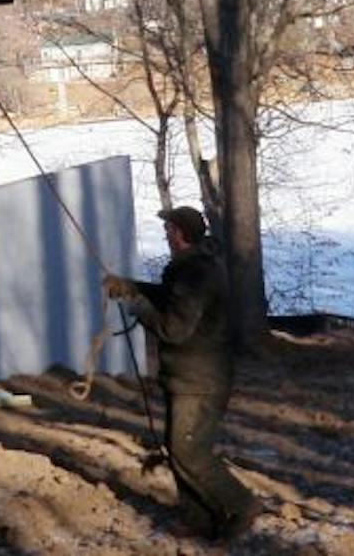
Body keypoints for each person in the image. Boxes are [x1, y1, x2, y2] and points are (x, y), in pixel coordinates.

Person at [103, 205, 257, 541]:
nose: (166, 233)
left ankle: (241, 505)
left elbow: (173, 329)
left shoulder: (194, 274)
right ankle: (198, 519)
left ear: (182, 234)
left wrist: (136, 305)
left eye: (170, 228)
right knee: (180, 450)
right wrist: (132, 287)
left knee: (189, 452)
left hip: (199, 381)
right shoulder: (191, 269)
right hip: (188, 377)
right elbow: (172, 298)